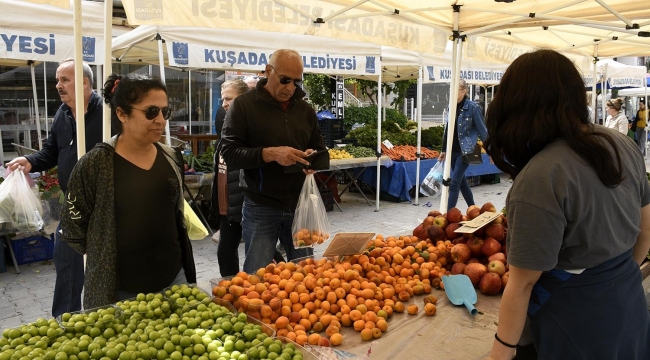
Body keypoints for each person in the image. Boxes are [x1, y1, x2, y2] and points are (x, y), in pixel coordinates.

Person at [483, 49, 650, 360]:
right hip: (629, 307)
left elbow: (521, 286)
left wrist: (499, 355)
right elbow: (645, 233)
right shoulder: (621, 145)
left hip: (576, 327)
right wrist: (615, 277)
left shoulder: (540, 177)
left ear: (515, 106)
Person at [59, 74, 197, 308]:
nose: (161, 120)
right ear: (122, 114)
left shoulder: (171, 156)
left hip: (175, 279)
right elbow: (73, 227)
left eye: (166, 111)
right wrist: (103, 248)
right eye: (151, 111)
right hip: (119, 291)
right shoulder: (96, 163)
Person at [6, 59, 104, 317]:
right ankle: (64, 320)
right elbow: (52, 150)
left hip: (105, 203)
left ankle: (103, 316)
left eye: (65, 80)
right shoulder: (62, 112)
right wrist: (29, 160)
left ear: (84, 82)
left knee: (104, 266)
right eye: (58, 80)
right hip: (72, 204)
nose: (58, 85)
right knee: (67, 263)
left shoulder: (107, 112)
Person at [220, 49, 325, 273]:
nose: (290, 87)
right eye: (285, 80)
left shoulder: (306, 110)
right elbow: (229, 153)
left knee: (306, 274)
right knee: (256, 276)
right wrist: (270, 154)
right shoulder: (244, 106)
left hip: (299, 204)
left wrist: (312, 159)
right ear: (268, 71)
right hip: (260, 205)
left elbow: (320, 151)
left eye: (297, 81)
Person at [210, 79, 284, 276]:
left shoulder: (251, 127)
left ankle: (285, 274)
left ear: (243, 100)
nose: (224, 103)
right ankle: (231, 289)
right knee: (227, 252)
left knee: (259, 249)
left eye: (229, 99)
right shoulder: (227, 126)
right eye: (223, 99)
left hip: (245, 202)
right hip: (228, 205)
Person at [438, 78, 488, 211]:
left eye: (456, 89)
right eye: (451, 89)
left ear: (464, 91)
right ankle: (473, 209)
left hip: (465, 151)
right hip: (451, 151)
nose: (452, 92)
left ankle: (447, 216)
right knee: (462, 184)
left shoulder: (473, 107)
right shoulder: (451, 106)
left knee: (454, 184)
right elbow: (448, 129)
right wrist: (443, 150)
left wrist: (491, 150)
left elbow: (483, 131)